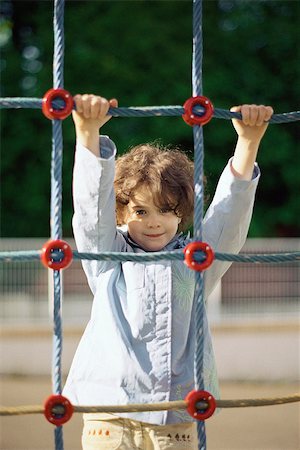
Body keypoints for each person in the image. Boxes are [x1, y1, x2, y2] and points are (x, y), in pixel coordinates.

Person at [63, 94, 273, 450]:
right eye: (140, 211)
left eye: (165, 209)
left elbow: (228, 218)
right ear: (120, 213)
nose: (154, 222)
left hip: (174, 413)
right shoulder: (109, 256)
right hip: (111, 411)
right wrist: (88, 134)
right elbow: (89, 211)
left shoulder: (196, 261)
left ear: (182, 212)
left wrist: (248, 142)